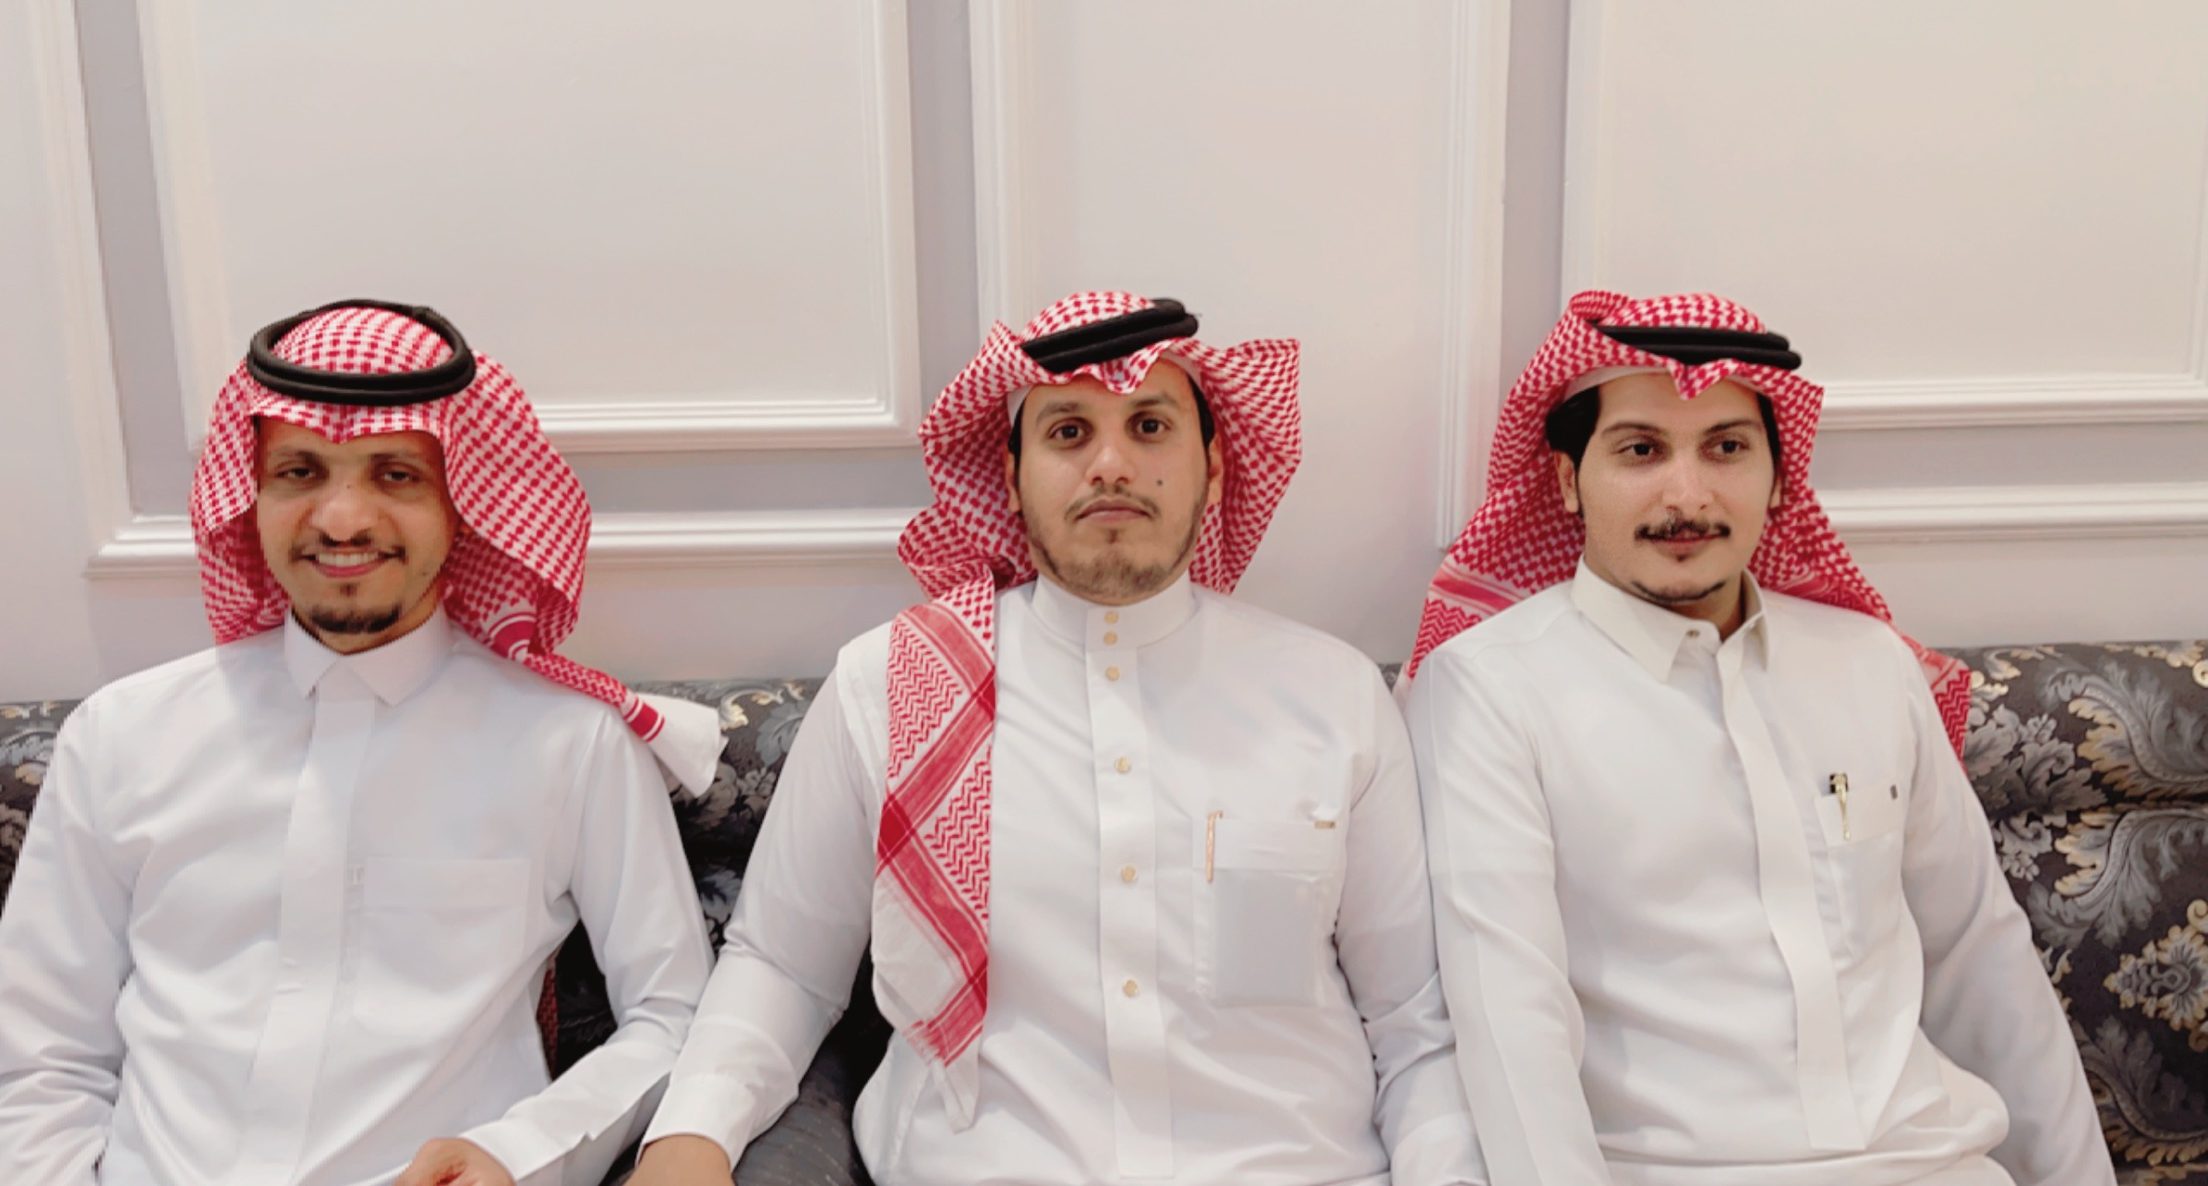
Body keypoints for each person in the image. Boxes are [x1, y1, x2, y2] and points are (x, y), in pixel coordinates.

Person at [632, 292, 1483, 1185]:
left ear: (1213, 467)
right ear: (1010, 478)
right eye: (1069, 432)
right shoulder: (893, 688)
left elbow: (1414, 1030)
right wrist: (690, 1140)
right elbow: (783, 968)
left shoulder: (1334, 697)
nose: (1111, 464)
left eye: (1150, 426)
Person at [1401, 289, 2114, 1186]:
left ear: (1780, 478)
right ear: (1566, 480)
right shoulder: (1489, 690)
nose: (1687, 495)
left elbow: (1981, 955)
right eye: (1640, 450)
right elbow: (1512, 1022)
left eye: (1727, 448)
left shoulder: (1870, 664)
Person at [0, 300, 720, 1185]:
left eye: (396, 474)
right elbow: (41, 1055)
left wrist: (516, 1153)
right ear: (252, 497)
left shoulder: (570, 744)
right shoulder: (121, 736)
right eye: (299, 471)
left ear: (464, 503)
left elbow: (676, 1016)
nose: (342, 518)